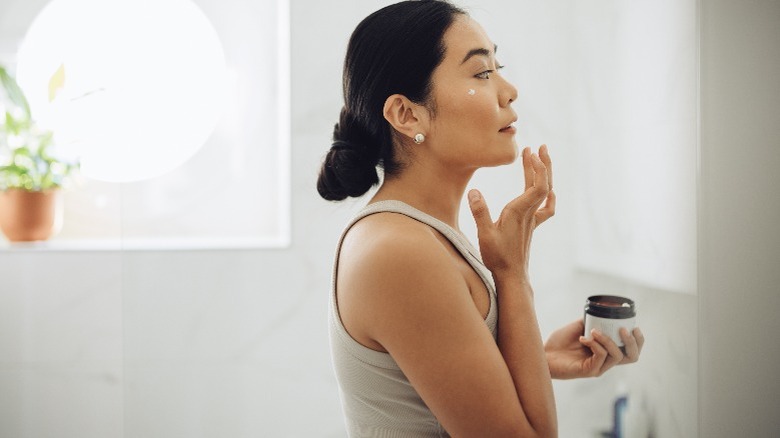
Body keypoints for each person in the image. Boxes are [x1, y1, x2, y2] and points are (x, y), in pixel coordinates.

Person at [317, 1, 645, 436]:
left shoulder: (413, 234)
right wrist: (511, 275)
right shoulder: (401, 252)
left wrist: (539, 359)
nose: (509, 90)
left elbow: (425, 382)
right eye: (482, 73)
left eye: (498, 66)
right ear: (406, 114)